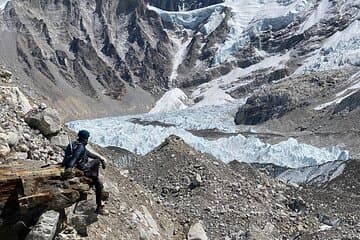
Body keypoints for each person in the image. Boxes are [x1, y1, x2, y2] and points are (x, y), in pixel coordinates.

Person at [62, 130, 107, 214]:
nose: (87, 140)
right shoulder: (80, 147)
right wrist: (69, 168)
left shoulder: (75, 144)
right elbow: (75, 158)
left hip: (75, 166)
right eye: (87, 138)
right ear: (85, 138)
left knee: (97, 160)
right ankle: (99, 207)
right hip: (81, 168)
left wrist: (100, 158)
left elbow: (88, 153)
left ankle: (94, 178)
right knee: (98, 182)